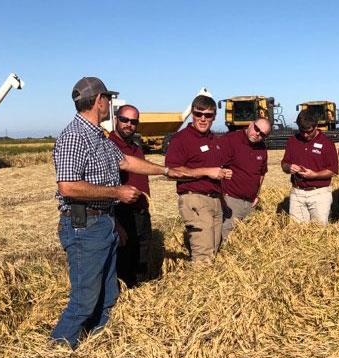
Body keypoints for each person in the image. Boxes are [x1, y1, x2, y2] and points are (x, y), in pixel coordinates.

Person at [52, 77, 179, 349]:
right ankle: (57, 352)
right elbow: (68, 186)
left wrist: (165, 171)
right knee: (84, 299)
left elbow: (127, 161)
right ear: (100, 101)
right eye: (108, 99)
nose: (109, 104)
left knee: (109, 294)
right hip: (83, 224)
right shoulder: (74, 136)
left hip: (103, 222)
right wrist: (118, 193)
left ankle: (95, 347)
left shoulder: (99, 136)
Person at [165, 95, 232, 262]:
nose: (203, 119)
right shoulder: (181, 139)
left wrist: (222, 173)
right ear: (192, 114)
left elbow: (212, 169)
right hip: (195, 199)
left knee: (214, 251)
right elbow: (172, 171)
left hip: (215, 200)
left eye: (208, 115)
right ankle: (198, 288)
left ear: (214, 117)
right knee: (203, 256)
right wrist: (207, 171)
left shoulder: (213, 140)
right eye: (198, 114)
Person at [108, 104, 152, 288]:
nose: (129, 124)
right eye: (125, 120)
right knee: (125, 265)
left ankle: (143, 299)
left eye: (133, 121)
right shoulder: (108, 146)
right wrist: (115, 223)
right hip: (121, 214)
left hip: (141, 213)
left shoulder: (136, 147)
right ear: (116, 119)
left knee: (143, 261)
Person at [281, 109, 339, 224]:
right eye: (302, 131)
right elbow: (284, 164)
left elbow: (333, 170)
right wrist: (289, 167)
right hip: (297, 193)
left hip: (319, 194)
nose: (305, 135)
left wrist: (314, 175)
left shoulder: (327, 143)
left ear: (316, 126)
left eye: (309, 131)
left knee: (319, 232)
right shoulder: (292, 141)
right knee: (296, 232)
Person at [220, 118, 270, 242]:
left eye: (262, 134)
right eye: (257, 129)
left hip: (250, 203)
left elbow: (261, 173)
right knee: (226, 237)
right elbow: (214, 165)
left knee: (245, 241)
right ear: (251, 124)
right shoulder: (230, 140)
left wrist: (256, 194)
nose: (258, 134)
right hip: (231, 200)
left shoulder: (262, 148)